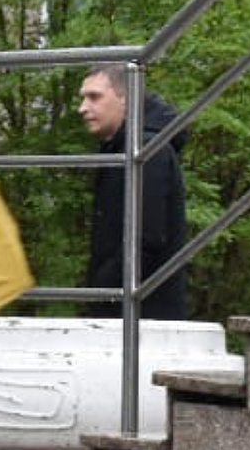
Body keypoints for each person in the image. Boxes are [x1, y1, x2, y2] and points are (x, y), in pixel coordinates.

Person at [78, 64, 190, 320]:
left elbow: (147, 238)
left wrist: (104, 294)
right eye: (83, 98)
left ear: (125, 100)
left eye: (94, 97)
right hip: (128, 309)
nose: (82, 108)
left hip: (141, 317)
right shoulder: (125, 148)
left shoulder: (147, 151)